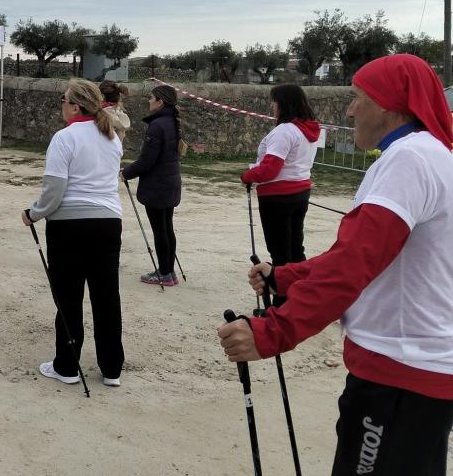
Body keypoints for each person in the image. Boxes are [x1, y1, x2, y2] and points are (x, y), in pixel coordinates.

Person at [219, 54, 453, 475]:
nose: (349, 110)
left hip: (399, 370)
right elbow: (369, 253)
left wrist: (275, 330)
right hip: (416, 366)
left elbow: (355, 262)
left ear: (386, 103)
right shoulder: (430, 153)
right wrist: (286, 277)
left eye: (357, 97)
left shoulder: (409, 160)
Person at [22, 79, 124, 388]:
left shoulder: (65, 138)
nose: (61, 105)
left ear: (76, 106)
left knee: (68, 296)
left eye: (63, 100)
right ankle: (111, 368)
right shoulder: (112, 137)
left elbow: (54, 190)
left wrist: (34, 213)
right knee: (106, 296)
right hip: (107, 222)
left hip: (69, 225)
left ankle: (66, 365)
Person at [239, 84, 320, 298]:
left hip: (278, 197)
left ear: (284, 104)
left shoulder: (284, 131)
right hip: (300, 192)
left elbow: (270, 169)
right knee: (295, 247)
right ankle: (302, 294)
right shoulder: (307, 130)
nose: (272, 106)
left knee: (280, 252)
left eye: (275, 101)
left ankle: (282, 302)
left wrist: (247, 176)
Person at [121, 84, 183, 287]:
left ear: (160, 101)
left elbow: (147, 160)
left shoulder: (157, 125)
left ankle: (165, 272)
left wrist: (126, 173)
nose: (148, 100)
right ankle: (169, 271)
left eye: (151, 97)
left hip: (158, 186)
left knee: (160, 230)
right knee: (167, 227)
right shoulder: (172, 121)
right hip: (170, 182)